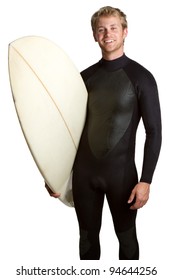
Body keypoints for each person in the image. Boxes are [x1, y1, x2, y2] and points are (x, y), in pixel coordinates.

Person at [46, 6, 162, 260]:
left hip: (123, 178)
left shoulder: (141, 78)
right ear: (94, 35)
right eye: (101, 29)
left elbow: (154, 132)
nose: (107, 34)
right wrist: (53, 172)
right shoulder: (83, 78)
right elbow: (67, 130)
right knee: (87, 240)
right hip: (84, 176)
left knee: (127, 239)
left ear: (124, 32)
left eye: (113, 28)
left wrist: (146, 181)